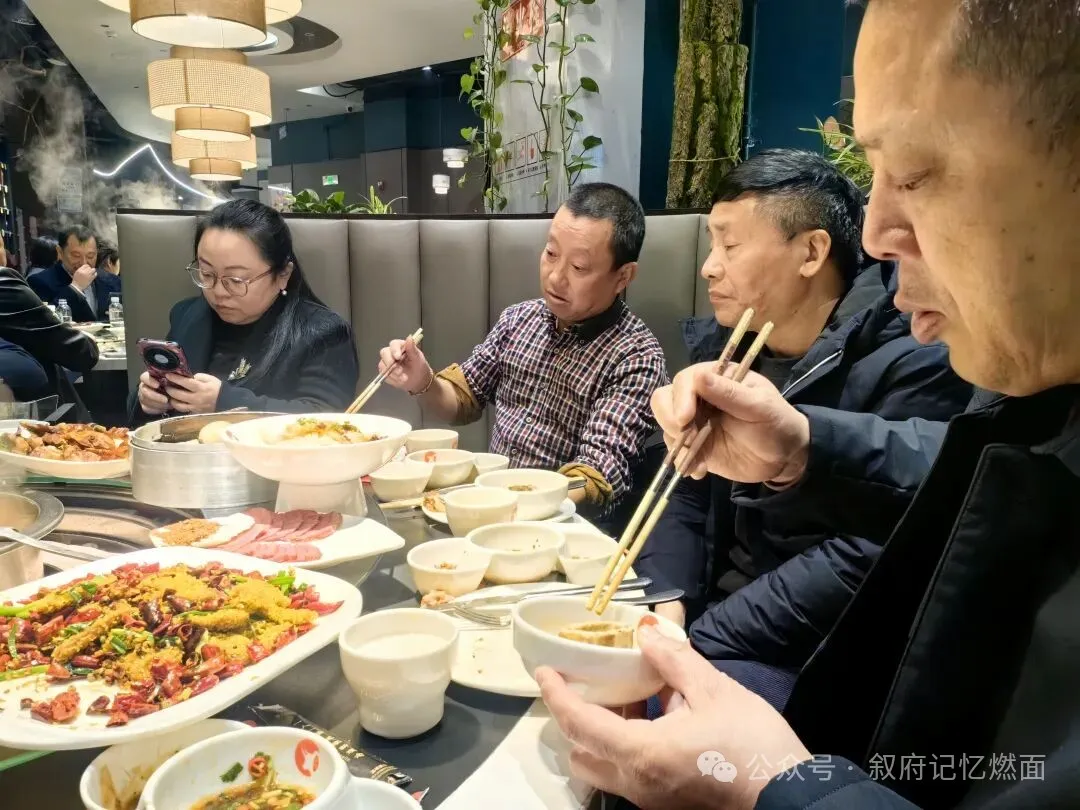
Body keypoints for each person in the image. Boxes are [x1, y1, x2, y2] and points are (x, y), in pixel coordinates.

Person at [538, 0, 1080, 808]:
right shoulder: (1040, 410)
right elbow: (944, 481)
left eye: (916, 172)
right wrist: (798, 447)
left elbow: (884, 550)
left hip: (816, 662)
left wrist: (772, 784)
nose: (880, 233)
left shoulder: (928, 352)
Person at [634, 149, 970, 706]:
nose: (709, 265)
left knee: (639, 707)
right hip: (709, 615)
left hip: (817, 654)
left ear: (812, 251)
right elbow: (683, 484)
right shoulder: (732, 343)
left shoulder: (913, 352)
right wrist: (667, 598)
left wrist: (700, 640)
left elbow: (868, 554)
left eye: (730, 244)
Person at [377, 182, 668, 515]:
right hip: (489, 503)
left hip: (562, 528)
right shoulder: (519, 319)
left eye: (578, 268)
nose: (555, 277)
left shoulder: (636, 357)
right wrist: (421, 380)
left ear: (623, 276)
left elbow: (595, 476)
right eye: (551, 253)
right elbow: (462, 400)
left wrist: (512, 504)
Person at [131, 199, 358, 424]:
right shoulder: (187, 316)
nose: (218, 291)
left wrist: (226, 404)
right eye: (207, 274)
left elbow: (327, 421)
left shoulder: (323, 333)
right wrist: (148, 400)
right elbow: (140, 418)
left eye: (236, 280)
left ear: (283, 275)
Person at [28, 225, 114, 322]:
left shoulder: (111, 281)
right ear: (60, 252)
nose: (83, 263)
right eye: (76, 256)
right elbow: (43, 321)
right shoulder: (40, 282)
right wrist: (75, 288)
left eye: (90, 256)